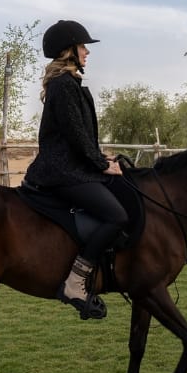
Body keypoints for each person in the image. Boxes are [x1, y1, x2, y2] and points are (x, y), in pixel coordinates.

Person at [25, 20, 128, 320]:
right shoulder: (63, 86)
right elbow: (75, 137)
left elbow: (81, 138)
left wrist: (101, 157)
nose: (87, 52)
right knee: (116, 216)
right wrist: (101, 165)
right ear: (68, 50)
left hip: (71, 167)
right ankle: (76, 283)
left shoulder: (69, 85)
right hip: (62, 172)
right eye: (83, 46)